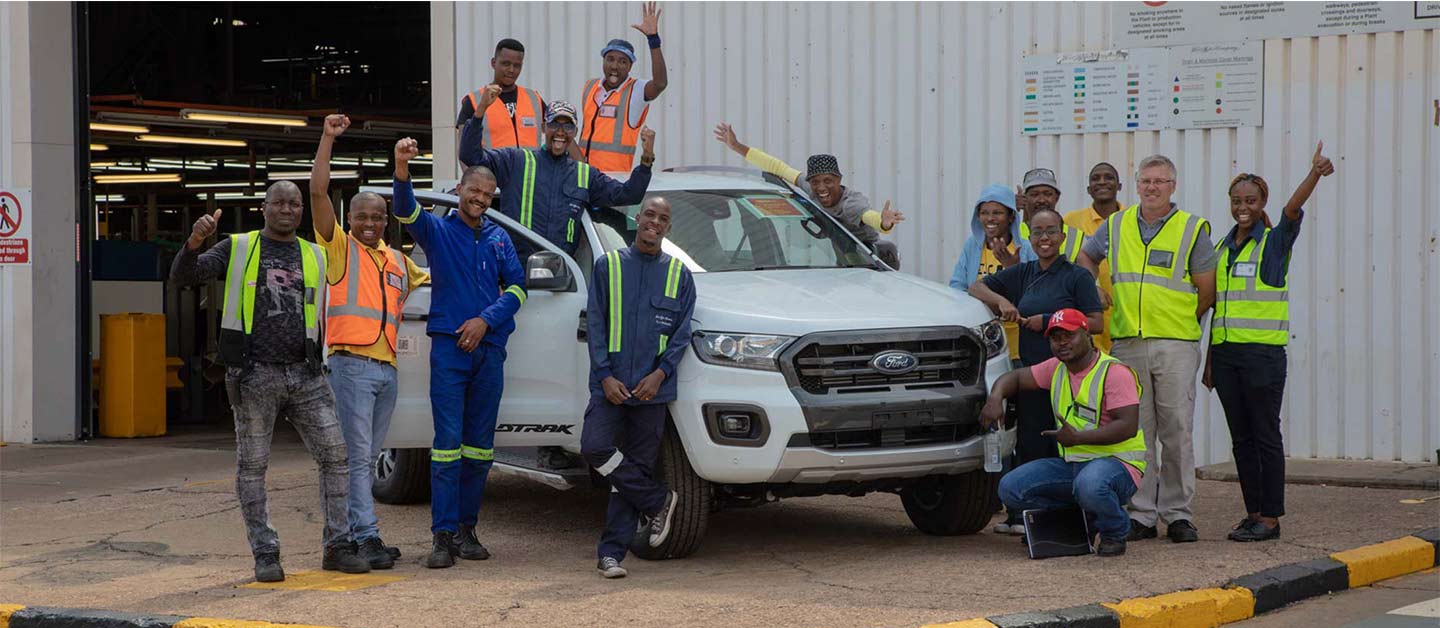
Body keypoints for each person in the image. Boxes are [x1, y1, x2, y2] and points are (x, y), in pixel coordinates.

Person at [170, 182, 370, 582]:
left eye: (295, 204)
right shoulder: (238, 247)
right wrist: (194, 240)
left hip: (306, 374)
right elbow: (183, 277)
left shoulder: (313, 253)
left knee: (336, 458)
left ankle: (337, 546)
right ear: (263, 208)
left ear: (301, 211)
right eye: (279, 202)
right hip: (254, 373)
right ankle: (265, 553)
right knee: (253, 466)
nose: (288, 209)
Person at [391, 138, 527, 569]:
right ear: (460, 190)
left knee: (480, 450)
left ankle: (468, 530)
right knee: (447, 446)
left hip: (489, 350)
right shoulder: (437, 230)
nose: (481, 199)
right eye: (475, 191)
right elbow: (405, 209)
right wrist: (401, 167)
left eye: (488, 195)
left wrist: (485, 320)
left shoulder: (499, 238)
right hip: (449, 351)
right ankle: (442, 536)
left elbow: (520, 288)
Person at [1076, 154, 1217, 544]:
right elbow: (1085, 258)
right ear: (1136, 186)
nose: (1152, 187)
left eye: (1160, 181)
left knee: (1176, 431)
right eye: (1146, 181)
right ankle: (1141, 513)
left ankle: (1177, 514)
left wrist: (1179, 321)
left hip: (1175, 345)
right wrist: (1093, 287)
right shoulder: (1116, 225)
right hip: (1128, 344)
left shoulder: (1192, 229)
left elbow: (1207, 291)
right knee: (1137, 433)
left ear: (1173, 186)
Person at [309, 114, 429, 569]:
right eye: (362, 216)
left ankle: (362, 535)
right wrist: (327, 138)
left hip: (387, 370)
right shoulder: (339, 248)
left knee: (369, 456)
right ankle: (365, 537)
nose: (371, 222)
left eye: (378, 216)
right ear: (350, 218)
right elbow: (318, 192)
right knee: (357, 459)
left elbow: (444, 282)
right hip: (352, 366)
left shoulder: (399, 261)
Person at [1203, 142, 1334, 542]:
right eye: (1237, 200)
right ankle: (1253, 512)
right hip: (1225, 356)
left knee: (1265, 435)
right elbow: (1218, 306)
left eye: (1252, 200)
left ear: (1263, 202)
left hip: (1262, 357)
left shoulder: (1273, 244)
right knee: (1240, 438)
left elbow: (1292, 212)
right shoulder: (1223, 247)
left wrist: (1313, 174)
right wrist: (1209, 360)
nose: (1243, 206)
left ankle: (1272, 518)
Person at [967, 209, 1104, 535]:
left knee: (1065, 448)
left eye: (1051, 231)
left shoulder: (1077, 276)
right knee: (1031, 445)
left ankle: (1070, 519)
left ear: (1062, 236)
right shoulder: (1024, 273)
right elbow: (976, 287)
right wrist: (1002, 302)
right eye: (1038, 231)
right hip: (1032, 375)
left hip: (1068, 377)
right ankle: (1025, 517)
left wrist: (1051, 320)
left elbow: (1095, 322)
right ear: (1029, 235)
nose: (1045, 238)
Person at [583, 196, 694, 579]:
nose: (655, 222)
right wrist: (605, 376)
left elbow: (682, 335)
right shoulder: (608, 266)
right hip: (610, 387)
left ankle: (611, 554)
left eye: (663, 218)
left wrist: (660, 375)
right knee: (595, 447)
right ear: (638, 218)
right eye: (650, 214)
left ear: (668, 226)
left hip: (652, 392)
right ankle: (658, 500)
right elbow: (595, 325)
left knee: (636, 468)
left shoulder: (680, 275)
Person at [981, 309, 1145, 557]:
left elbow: (1127, 425)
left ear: (1087, 334)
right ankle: (1081, 523)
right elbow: (1014, 377)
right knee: (1010, 488)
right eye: (1055, 338)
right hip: (1074, 464)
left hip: (1117, 464)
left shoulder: (1114, 372)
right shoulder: (1056, 368)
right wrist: (995, 397)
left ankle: (1115, 530)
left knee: (1090, 486)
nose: (1062, 343)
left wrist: (1078, 438)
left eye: (1069, 335)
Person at [460, 99, 654, 261]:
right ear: (544, 127)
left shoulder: (584, 175)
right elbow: (470, 156)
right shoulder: (516, 161)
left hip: (561, 278)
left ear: (575, 132)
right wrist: (479, 113)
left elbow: (629, 195)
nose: (560, 132)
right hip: (514, 270)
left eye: (568, 126)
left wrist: (646, 160)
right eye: (554, 124)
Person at [712, 123, 905, 269]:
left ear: (839, 179)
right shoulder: (809, 187)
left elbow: (868, 216)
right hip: (836, 249)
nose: (821, 187)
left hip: (864, 252)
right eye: (815, 181)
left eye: (828, 180)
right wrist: (736, 146)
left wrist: (884, 221)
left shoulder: (851, 204)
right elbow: (777, 167)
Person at [574, 2, 669, 172]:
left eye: (622, 61)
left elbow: (660, 83)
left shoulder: (636, 91)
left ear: (630, 66)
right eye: (610, 59)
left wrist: (653, 40)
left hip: (613, 183)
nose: (615, 66)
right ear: (603, 60)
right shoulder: (590, 87)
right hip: (582, 177)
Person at [949, 183, 1037, 362]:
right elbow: (957, 288)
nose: (990, 218)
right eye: (984, 212)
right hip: (980, 344)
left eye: (997, 213)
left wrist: (1013, 268)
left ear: (1011, 216)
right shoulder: (972, 246)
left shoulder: (1025, 248)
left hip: (1017, 348)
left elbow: (1035, 294)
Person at [1064, 162, 1124, 352]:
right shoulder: (1070, 221)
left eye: (1109, 177)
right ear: (1089, 189)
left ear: (1119, 186)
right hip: (1087, 316)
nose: (1102, 182)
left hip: (1125, 317)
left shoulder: (1132, 219)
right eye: (1096, 178)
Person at [456, 39, 546, 151]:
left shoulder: (534, 99)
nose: (511, 70)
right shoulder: (474, 101)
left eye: (517, 65)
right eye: (506, 64)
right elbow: (463, 149)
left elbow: (559, 133)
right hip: (491, 168)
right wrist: (473, 169)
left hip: (529, 169)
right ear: (493, 63)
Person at [1018, 168, 1085, 262]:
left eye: (1047, 194)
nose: (1041, 200)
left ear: (1056, 198)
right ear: (1025, 199)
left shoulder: (1076, 237)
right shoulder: (1014, 234)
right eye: (1034, 195)